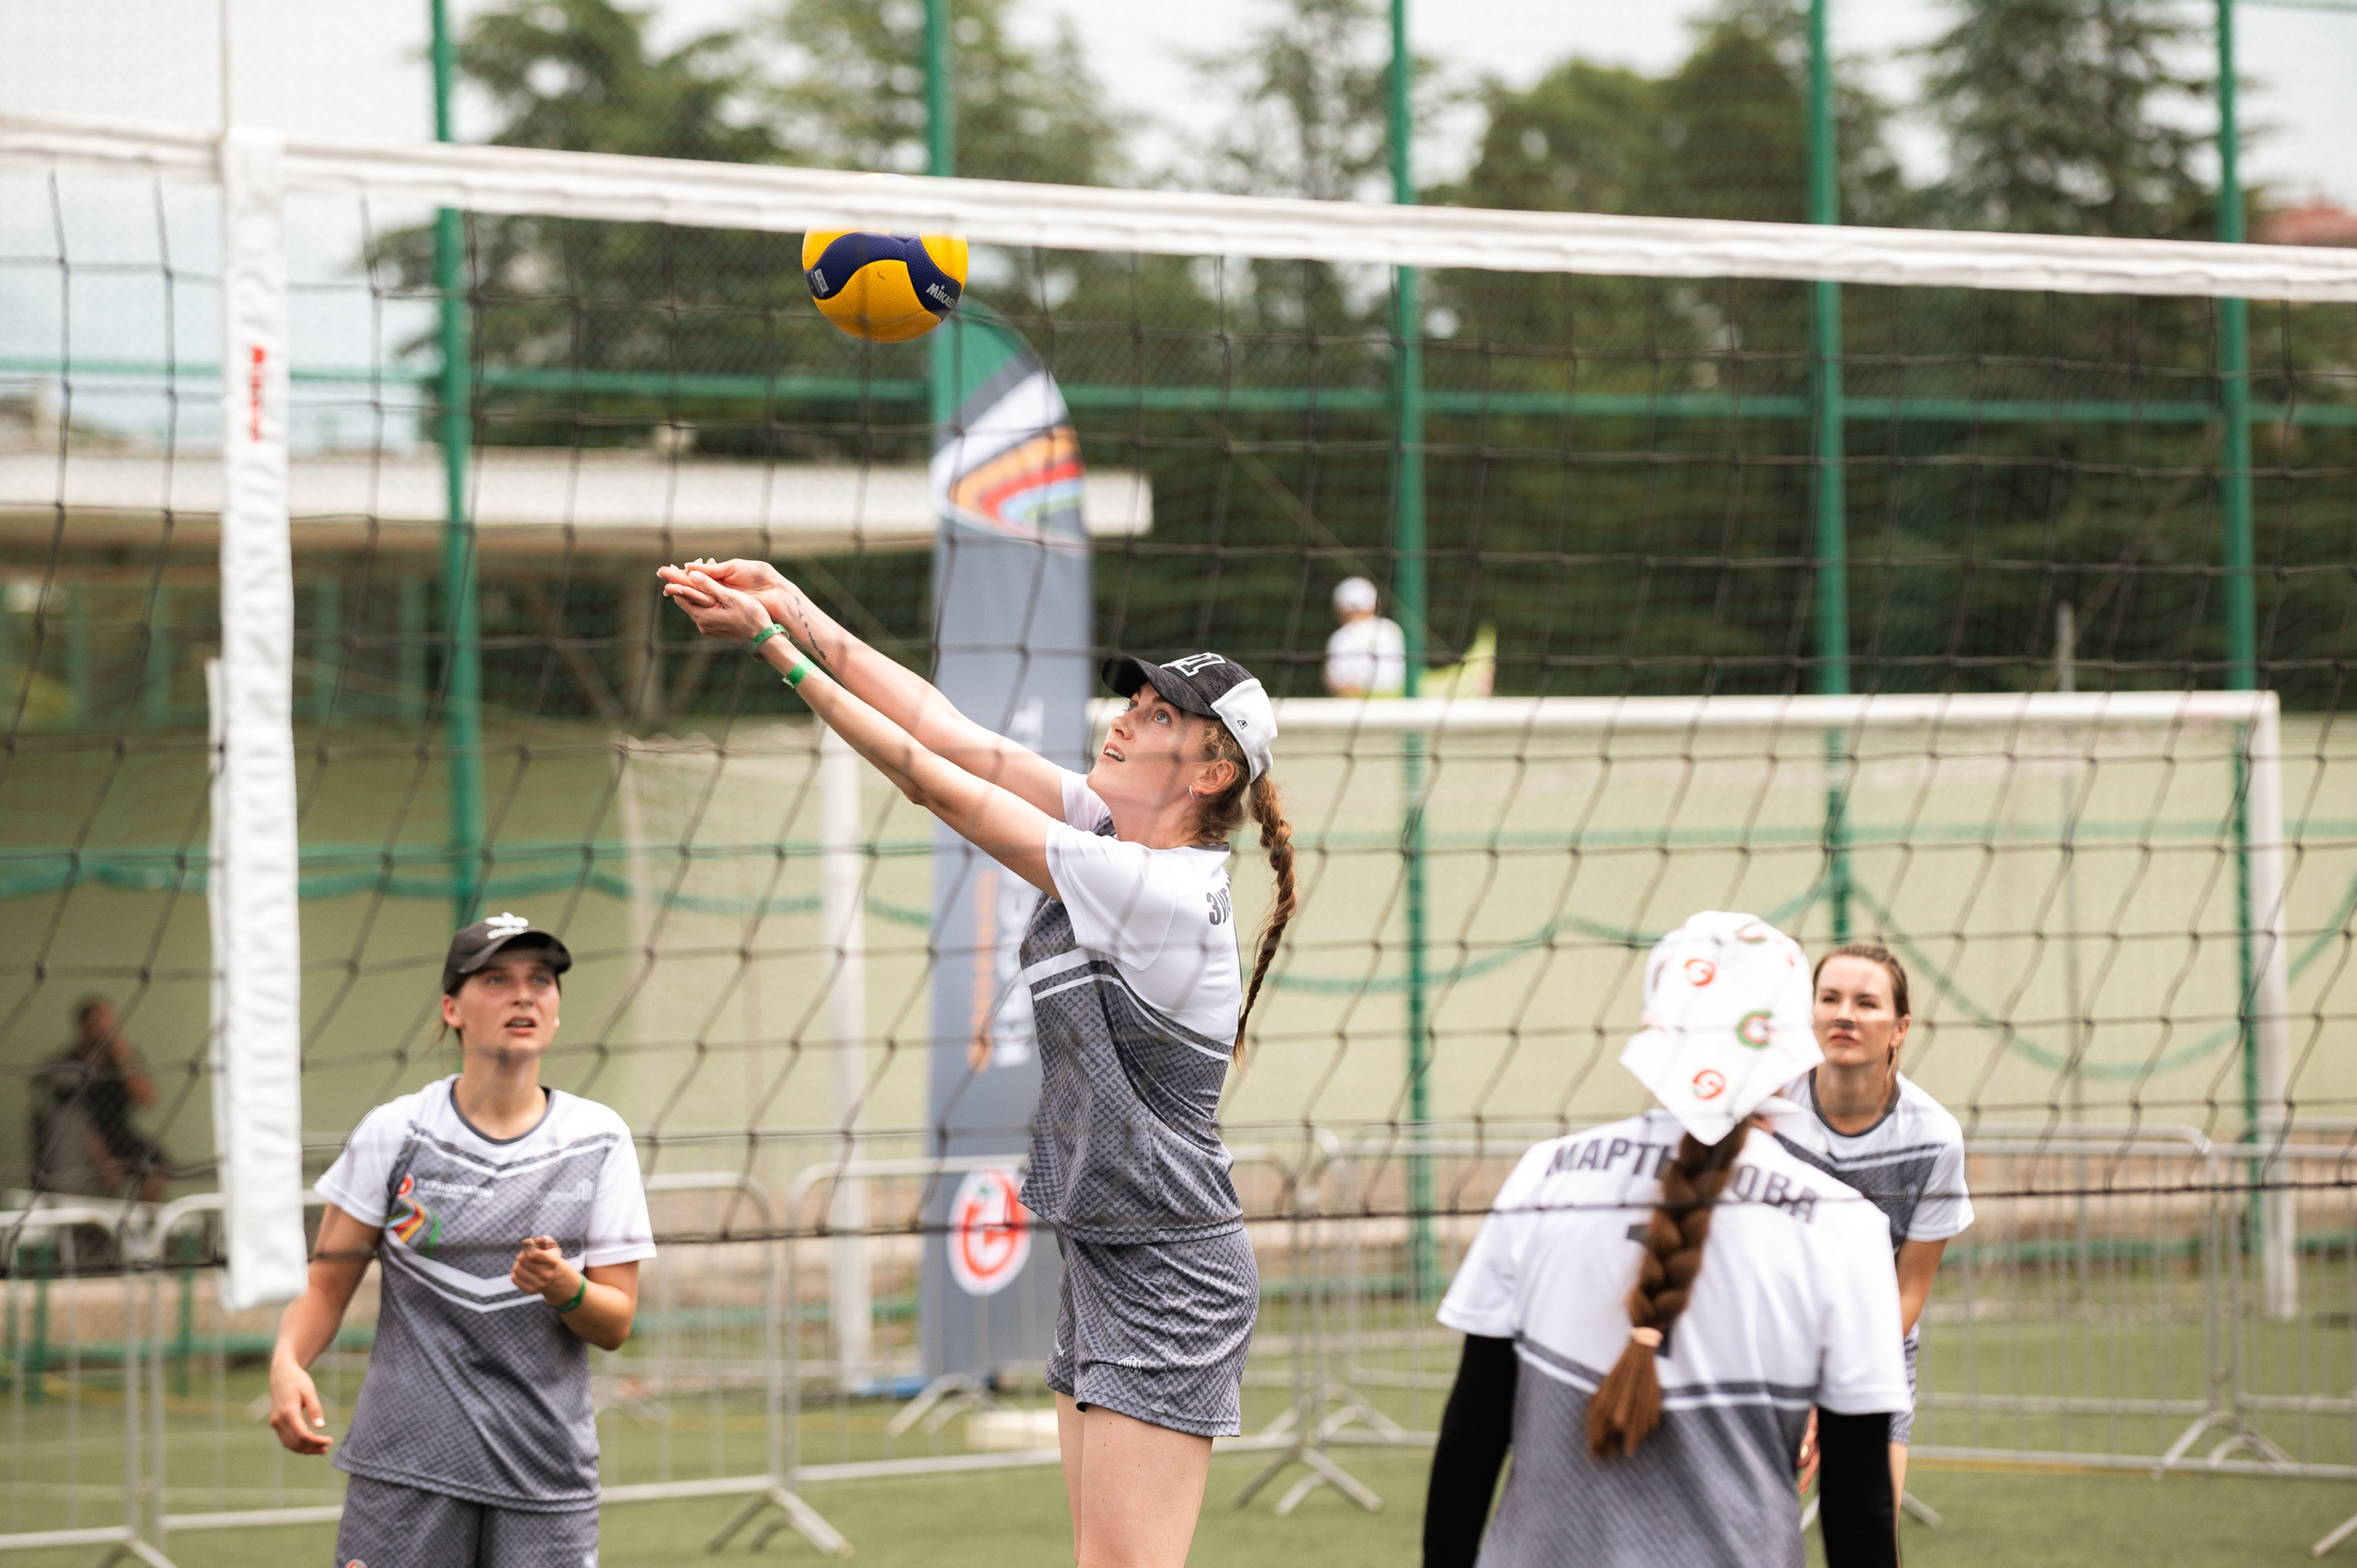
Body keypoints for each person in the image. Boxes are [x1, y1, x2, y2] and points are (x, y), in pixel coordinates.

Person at [657, 557, 1297, 1568]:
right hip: (1107, 1237)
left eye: (1160, 715)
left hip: (1170, 1262)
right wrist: (799, 608)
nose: (1126, 715)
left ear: (1211, 774)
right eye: (1134, 695)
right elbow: (954, 734)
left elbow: (929, 781)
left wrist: (776, 654)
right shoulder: (1104, 826)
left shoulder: (1156, 886)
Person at [1422, 911, 1908, 1568]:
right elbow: (1859, 1505)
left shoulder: (1546, 1175)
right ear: (1794, 1039)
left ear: (1659, 1021)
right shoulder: (1844, 1226)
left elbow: (1471, 1438)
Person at [265, 914, 655, 1568]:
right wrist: (286, 1358)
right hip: (407, 1469)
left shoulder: (600, 1137)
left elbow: (615, 1321)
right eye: (496, 978)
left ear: (556, 1010)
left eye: (540, 979)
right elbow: (326, 1284)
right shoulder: (395, 1131)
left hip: (543, 1475)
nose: (524, 994)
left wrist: (564, 1287)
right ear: (452, 1007)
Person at [1780, 941, 1973, 1506]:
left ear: (1899, 1028)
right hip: (1768, 1337)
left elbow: (1909, 1289)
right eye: (1829, 998)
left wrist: (1830, 1382)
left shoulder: (1934, 1136)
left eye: (1866, 1003)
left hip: (1874, 1346)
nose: (1844, 1013)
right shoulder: (1768, 1109)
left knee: (1869, 1532)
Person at [32, 995, 172, 1202]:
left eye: (110, 1022)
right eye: (99, 1021)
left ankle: (139, 1227)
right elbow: (73, 1120)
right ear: (83, 1026)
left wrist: (125, 1060)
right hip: (77, 1142)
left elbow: (148, 1101)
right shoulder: (67, 1066)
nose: (105, 1028)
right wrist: (102, 1159)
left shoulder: (122, 1060)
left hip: (118, 1133)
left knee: (158, 1170)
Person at [1322, 575, 1406, 697]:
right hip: (1403, 705)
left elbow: (1340, 687)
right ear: (1374, 604)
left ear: (1338, 609)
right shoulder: (1393, 628)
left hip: (1362, 707)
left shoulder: (1340, 638)